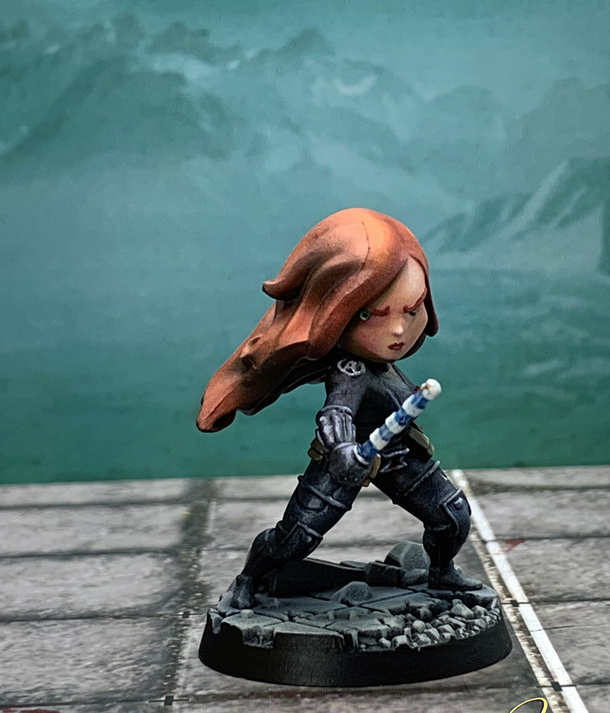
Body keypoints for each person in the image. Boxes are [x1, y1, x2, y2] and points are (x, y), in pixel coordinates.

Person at [197, 208, 481, 609]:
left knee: (452, 515)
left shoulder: (382, 363)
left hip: (398, 455)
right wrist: (343, 450)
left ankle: (441, 572)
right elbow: (337, 412)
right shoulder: (351, 370)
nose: (398, 330)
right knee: (294, 538)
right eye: (370, 315)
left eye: (412, 310)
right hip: (344, 463)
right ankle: (250, 577)